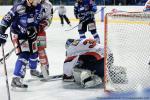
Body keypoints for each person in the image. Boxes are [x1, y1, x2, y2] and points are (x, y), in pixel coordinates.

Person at [0, 0, 43, 89]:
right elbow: (5, 21)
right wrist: (1, 32)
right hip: (17, 34)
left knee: (34, 52)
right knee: (24, 54)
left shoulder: (39, 7)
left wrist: (34, 30)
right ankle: (16, 78)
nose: (39, 1)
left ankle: (33, 70)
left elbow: (37, 22)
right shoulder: (19, 7)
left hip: (29, 34)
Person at [36, 0, 53, 78]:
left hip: (40, 31)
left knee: (41, 49)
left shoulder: (48, 4)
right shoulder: (29, 1)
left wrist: (45, 23)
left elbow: (49, 18)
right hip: (27, 31)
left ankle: (45, 68)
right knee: (28, 50)